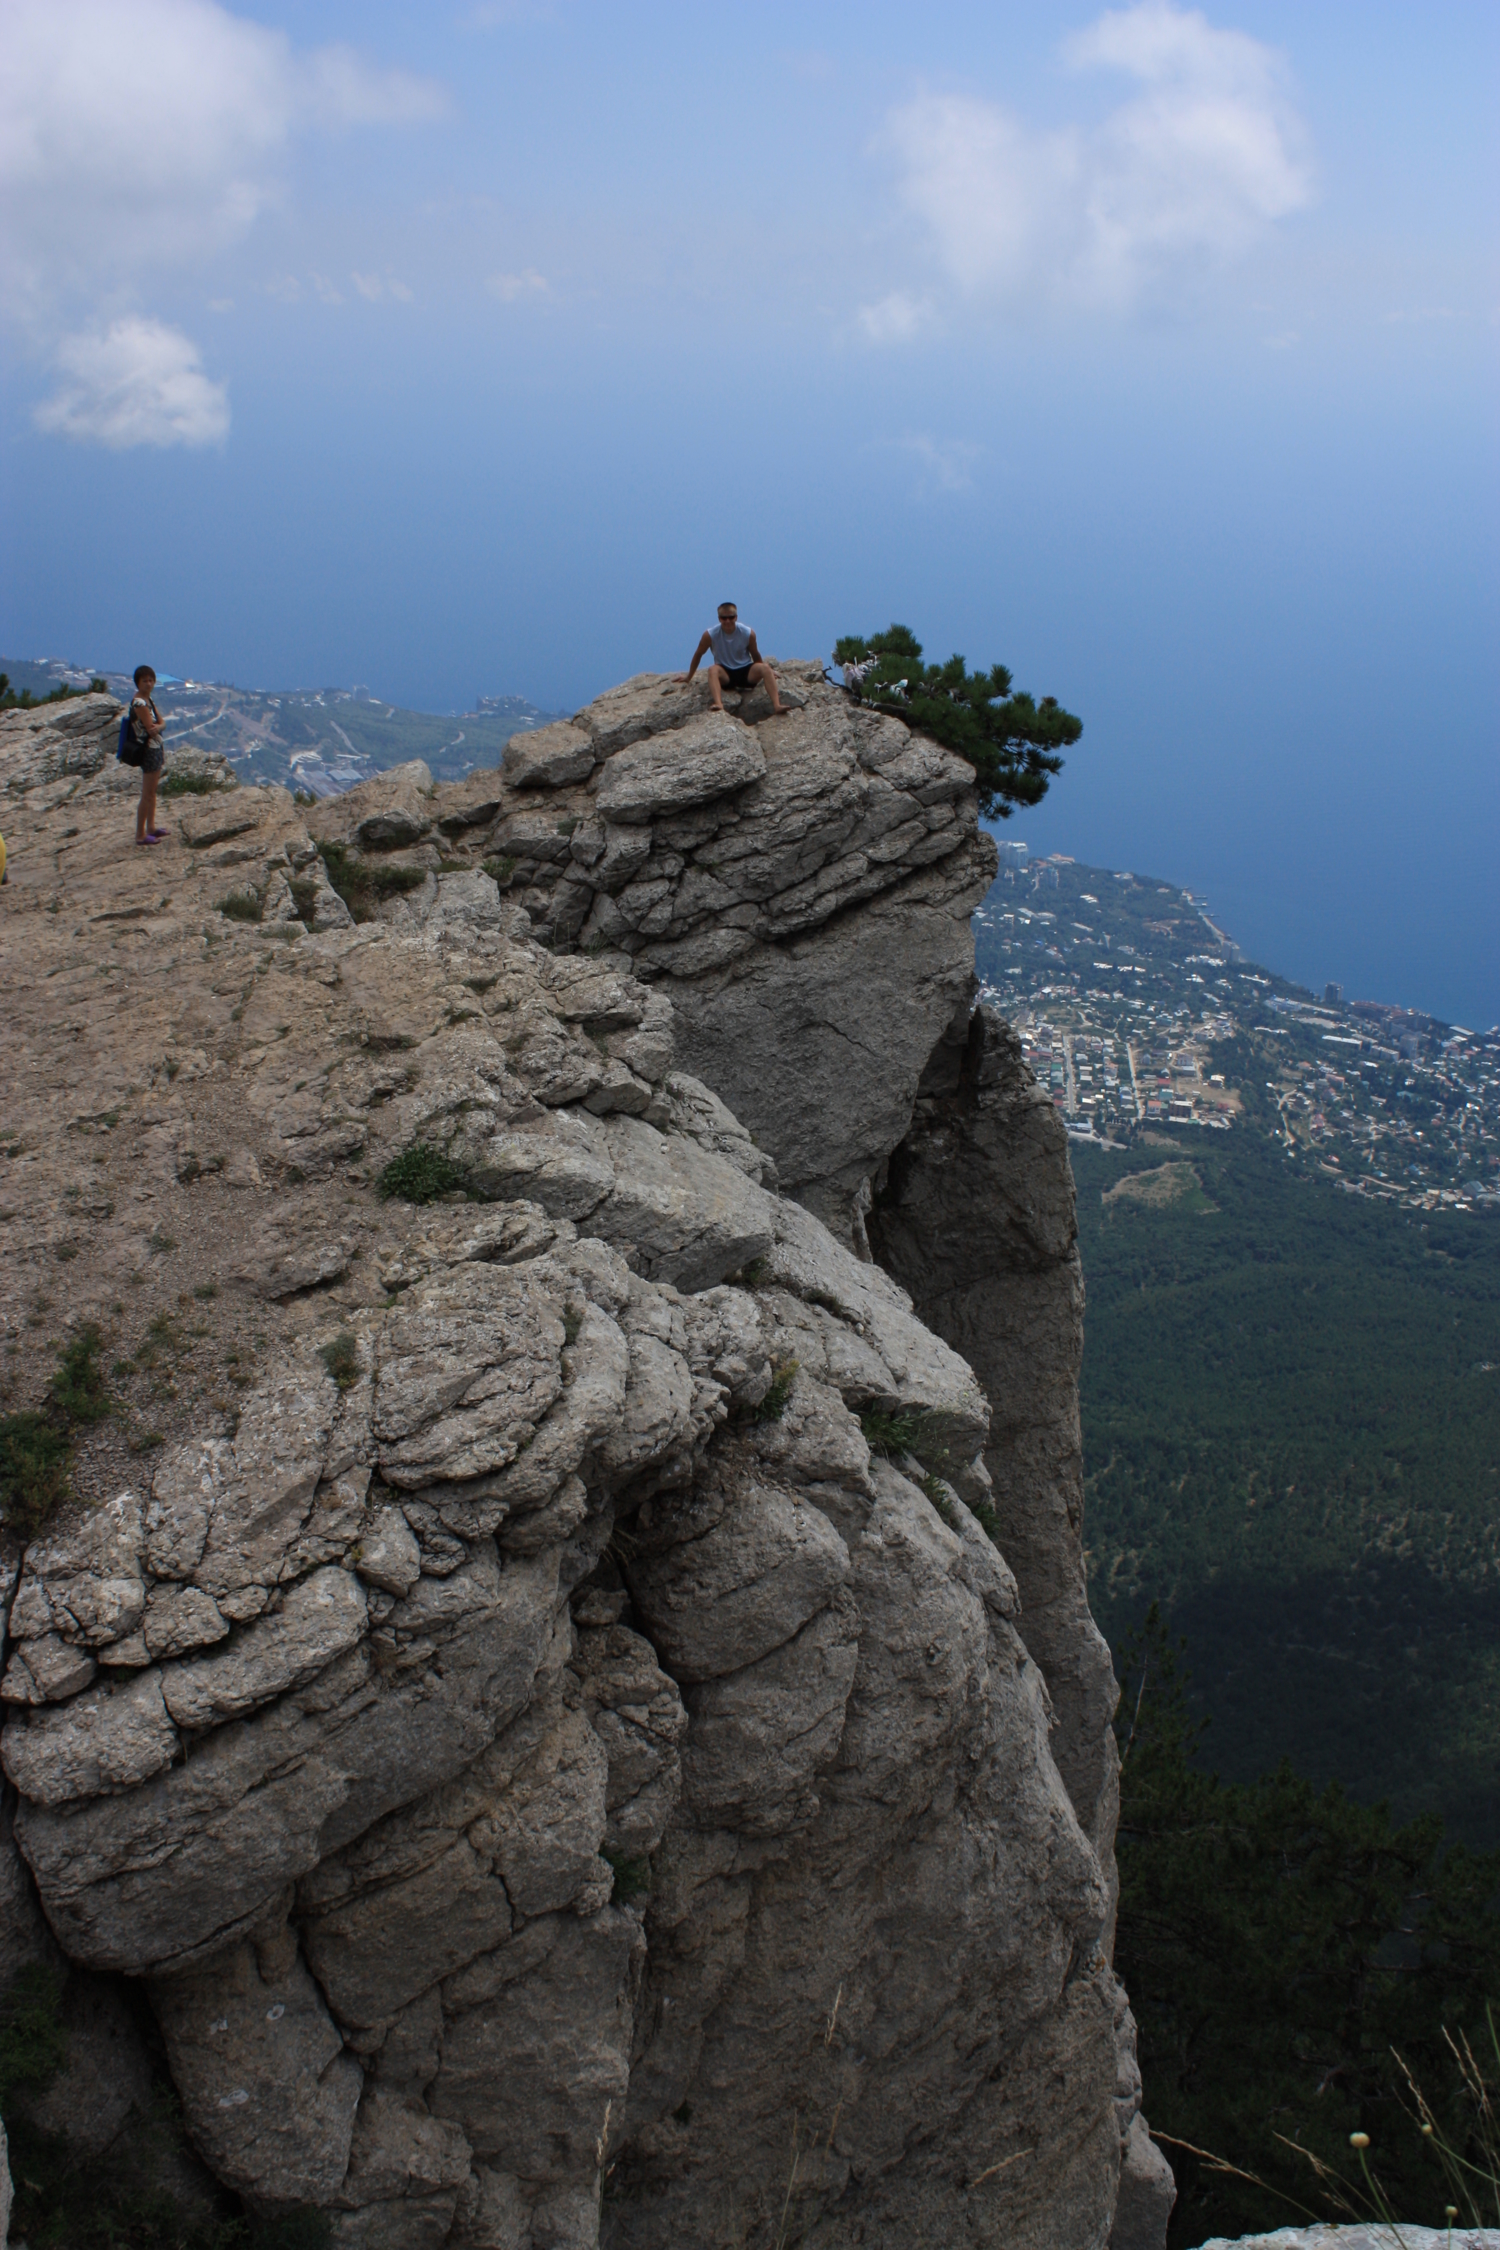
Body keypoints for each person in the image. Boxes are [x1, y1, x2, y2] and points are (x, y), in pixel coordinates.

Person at [677, 603, 788, 715]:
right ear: (719, 619)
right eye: (724, 618)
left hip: (745, 671)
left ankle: (777, 705)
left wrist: (767, 672)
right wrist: (688, 677)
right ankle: (718, 703)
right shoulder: (710, 635)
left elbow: (755, 654)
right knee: (712, 670)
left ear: (736, 617)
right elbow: (698, 654)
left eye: (731, 617)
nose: (727, 621)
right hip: (725, 673)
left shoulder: (747, 633)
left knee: (765, 668)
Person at [129, 666, 168, 846]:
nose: (149, 683)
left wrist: (159, 727)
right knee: (147, 794)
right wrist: (159, 727)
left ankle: (151, 827)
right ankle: (140, 834)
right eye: (145, 680)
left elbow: (161, 724)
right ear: (137, 682)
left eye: (151, 680)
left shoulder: (148, 700)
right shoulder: (139, 703)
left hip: (155, 748)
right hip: (148, 750)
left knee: (152, 793)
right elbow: (151, 729)